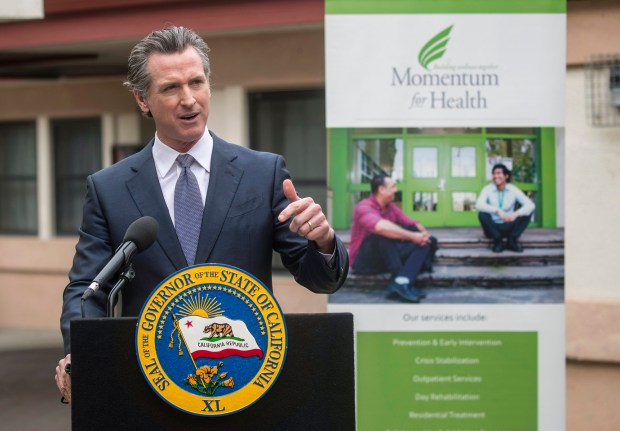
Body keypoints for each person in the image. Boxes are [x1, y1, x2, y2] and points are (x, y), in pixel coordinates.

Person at [55, 26, 348, 402]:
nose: (189, 99)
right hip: (152, 384)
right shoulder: (108, 188)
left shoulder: (263, 173)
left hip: (248, 381)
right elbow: (87, 288)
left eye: (197, 82)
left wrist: (322, 241)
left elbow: (321, 280)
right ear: (142, 99)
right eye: (170, 88)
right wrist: (80, 351)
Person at [349, 174, 436, 303]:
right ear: (381, 189)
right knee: (382, 236)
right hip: (363, 262)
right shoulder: (363, 207)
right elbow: (380, 227)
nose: (396, 190)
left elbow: (412, 224)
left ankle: (402, 282)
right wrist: (413, 237)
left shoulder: (391, 208)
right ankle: (401, 278)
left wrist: (423, 235)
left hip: (385, 257)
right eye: (393, 186)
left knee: (426, 242)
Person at [475, 163, 535, 253]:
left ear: (506, 176)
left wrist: (515, 214)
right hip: (493, 228)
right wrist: (497, 210)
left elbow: (530, 205)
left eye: (498, 173)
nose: (495, 176)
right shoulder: (487, 189)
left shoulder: (513, 189)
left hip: (508, 226)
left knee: (527, 213)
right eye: (494, 174)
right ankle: (498, 242)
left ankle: (512, 241)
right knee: (482, 214)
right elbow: (479, 204)